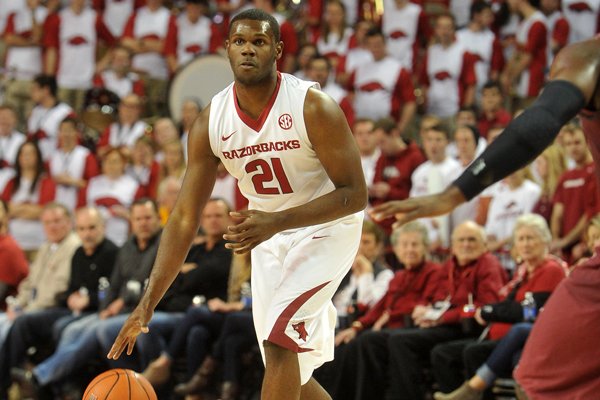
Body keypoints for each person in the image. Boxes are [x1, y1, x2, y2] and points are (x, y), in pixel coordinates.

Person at [108, 8, 367, 400]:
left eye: (259, 42)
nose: (249, 50)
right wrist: (148, 302)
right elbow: (182, 219)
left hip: (326, 227)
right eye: (241, 42)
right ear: (227, 49)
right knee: (289, 370)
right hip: (266, 236)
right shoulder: (212, 122)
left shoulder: (312, 105)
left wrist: (276, 221)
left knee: (281, 343)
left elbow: (354, 194)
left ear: (277, 50)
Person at [370, 35, 600, 400]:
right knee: (539, 372)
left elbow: (538, 123)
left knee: (537, 374)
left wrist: (453, 193)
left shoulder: (588, 57)